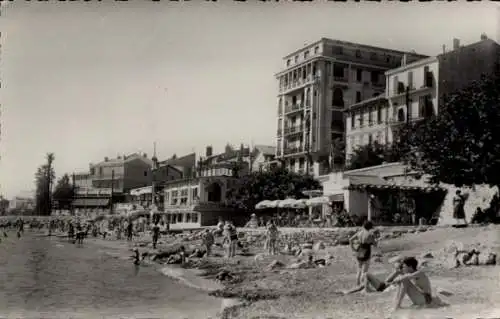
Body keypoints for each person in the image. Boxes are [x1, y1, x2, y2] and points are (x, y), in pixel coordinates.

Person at [349, 220, 378, 286]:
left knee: (359, 269)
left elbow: (350, 239)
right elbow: (375, 244)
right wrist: (376, 239)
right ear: (370, 227)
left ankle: (357, 284)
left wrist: (353, 249)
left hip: (359, 249)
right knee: (364, 271)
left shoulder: (359, 232)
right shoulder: (370, 235)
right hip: (366, 250)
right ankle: (362, 285)